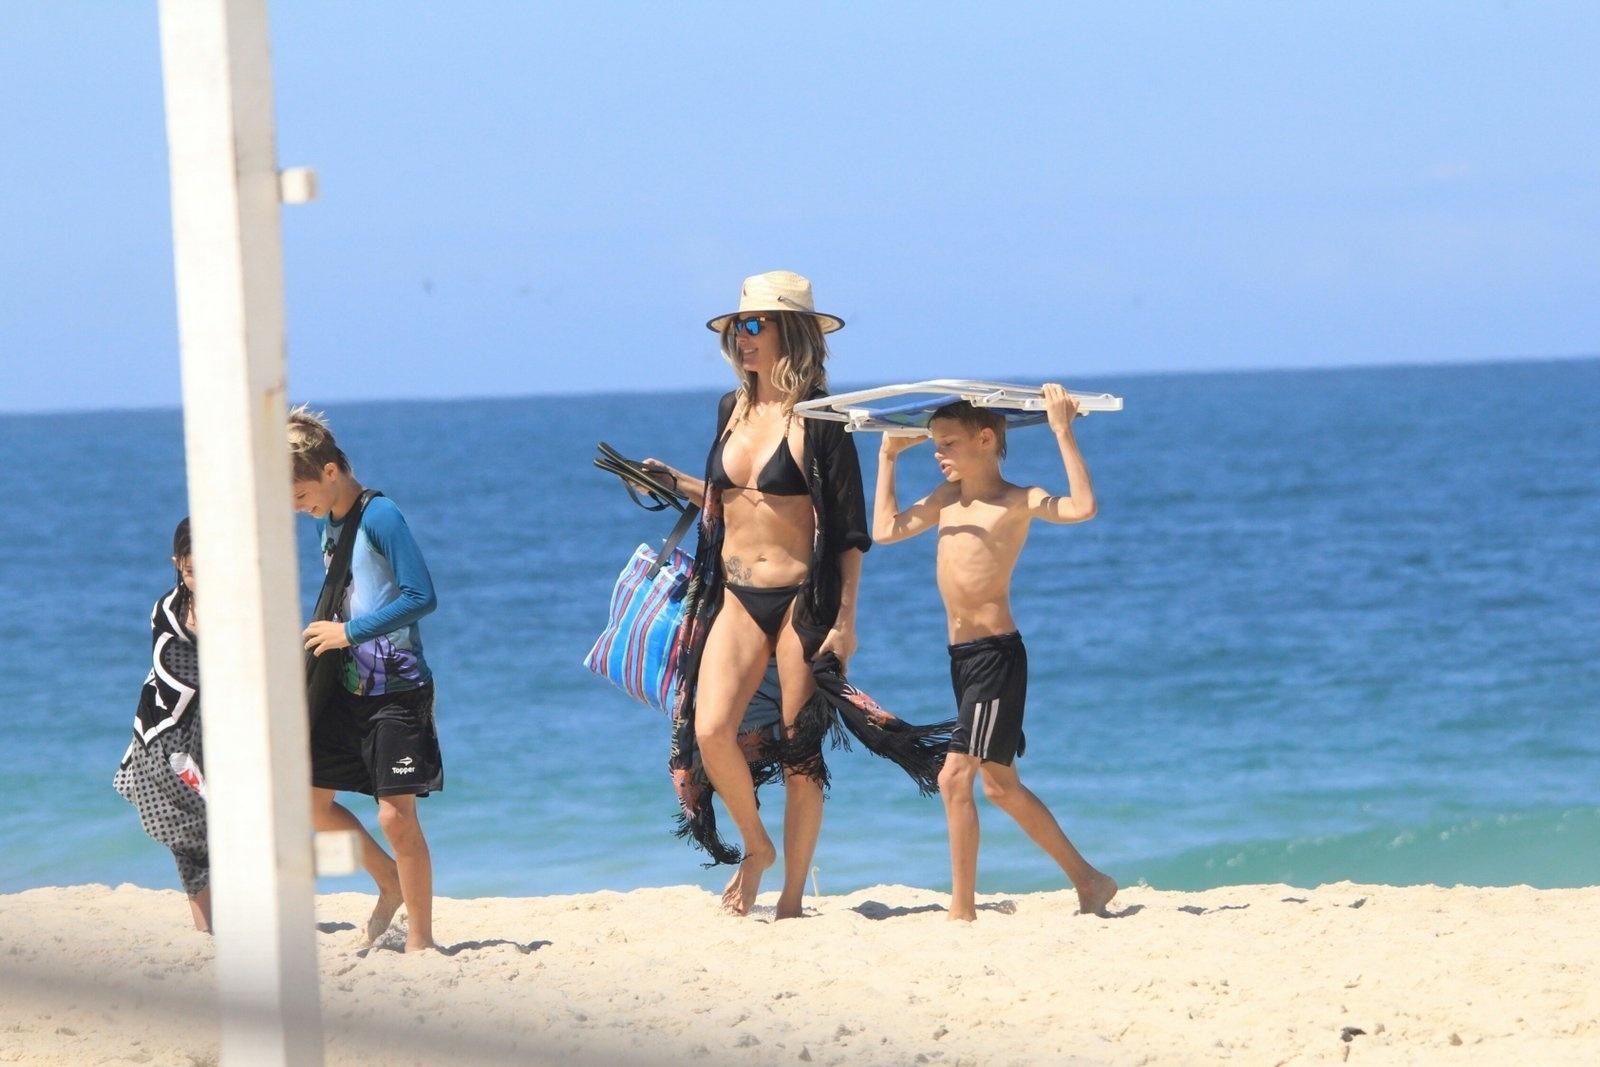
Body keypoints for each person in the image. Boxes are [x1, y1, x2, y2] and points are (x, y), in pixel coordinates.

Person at [642, 270, 949, 918]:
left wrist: (846, 620)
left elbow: (846, 532)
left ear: (793, 333)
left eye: (755, 325)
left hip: (800, 599)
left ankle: (789, 899)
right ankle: (756, 847)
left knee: (799, 746)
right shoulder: (732, 410)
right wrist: (678, 479)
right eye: (736, 327)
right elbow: (736, 500)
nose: (741, 338)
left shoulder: (821, 419)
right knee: (712, 728)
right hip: (735, 594)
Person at [872, 385, 1119, 920]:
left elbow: (1082, 507)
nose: (939, 454)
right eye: (935, 443)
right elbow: (885, 531)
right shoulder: (945, 500)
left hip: (995, 658)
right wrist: (888, 459)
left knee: (954, 776)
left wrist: (1061, 428)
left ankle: (962, 910)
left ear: (986, 439)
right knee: (1002, 787)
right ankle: (1090, 881)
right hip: (962, 659)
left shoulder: (1017, 499)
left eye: (949, 443)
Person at [289, 407, 444, 951]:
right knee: (308, 800)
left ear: (330, 471)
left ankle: (422, 943)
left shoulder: (382, 516)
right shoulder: (329, 524)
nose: (297, 507)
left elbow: (421, 596)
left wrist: (348, 633)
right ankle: (388, 882)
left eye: (301, 493)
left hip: (397, 690)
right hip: (345, 687)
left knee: (395, 817)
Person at [115, 518, 212, 932]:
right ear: (177, 563)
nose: (198, 579)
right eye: (190, 571)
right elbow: (167, 667)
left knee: (226, 820)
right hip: (165, 731)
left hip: (217, 730)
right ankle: (205, 928)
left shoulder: (239, 608)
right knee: (179, 827)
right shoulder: (166, 609)